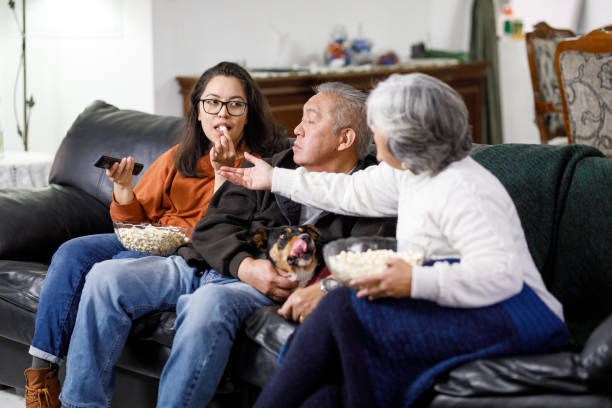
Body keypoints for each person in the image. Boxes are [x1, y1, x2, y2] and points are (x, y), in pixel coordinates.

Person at [219, 73, 569, 408]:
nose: (371, 132)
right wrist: (274, 177)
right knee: (325, 394)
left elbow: (499, 275)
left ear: (405, 133)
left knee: (341, 307)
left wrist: (414, 279)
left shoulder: (463, 187)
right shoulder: (412, 172)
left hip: (514, 313)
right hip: (454, 299)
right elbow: (350, 190)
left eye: (378, 125)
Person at [57, 82, 396, 408]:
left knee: (207, 303)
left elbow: (359, 259)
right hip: (208, 264)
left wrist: (266, 274)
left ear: (345, 138)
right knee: (105, 277)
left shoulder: (373, 197)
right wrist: (242, 264)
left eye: (310, 118)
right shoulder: (275, 166)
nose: (298, 128)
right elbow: (212, 225)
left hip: (258, 284)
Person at [24, 61, 288, 408]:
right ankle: (42, 379)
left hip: (193, 251)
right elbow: (135, 223)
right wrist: (122, 189)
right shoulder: (180, 157)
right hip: (156, 238)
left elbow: (221, 233)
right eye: (212, 102)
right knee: (73, 252)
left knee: (111, 272)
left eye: (234, 104)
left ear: (247, 113)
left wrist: (224, 171)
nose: (222, 113)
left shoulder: (263, 166)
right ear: (197, 111)